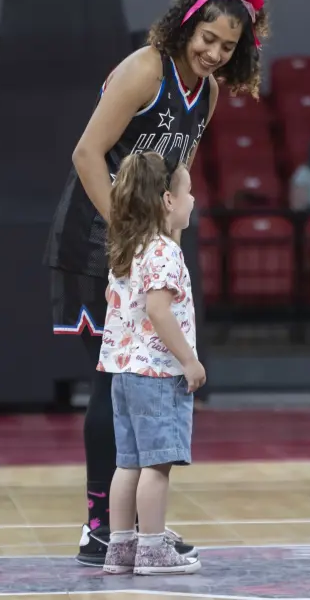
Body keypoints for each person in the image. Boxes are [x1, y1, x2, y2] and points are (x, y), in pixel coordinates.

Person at [43, 0, 268, 567]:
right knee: (114, 379)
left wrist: (168, 226)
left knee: (140, 380)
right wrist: (125, 229)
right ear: (187, 22)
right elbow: (87, 153)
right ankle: (100, 527)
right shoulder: (145, 67)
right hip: (99, 232)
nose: (215, 52)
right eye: (208, 38)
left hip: (143, 239)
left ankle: (137, 531)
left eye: (228, 46)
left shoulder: (211, 91)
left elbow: (178, 168)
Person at [99, 151, 205, 576]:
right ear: (166, 200)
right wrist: (189, 360)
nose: (193, 199)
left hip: (123, 372)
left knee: (127, 463)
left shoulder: (131, 248)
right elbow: (159, 311)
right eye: (188, 191)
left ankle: (120, 546)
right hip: (157, 373)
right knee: (157, 465)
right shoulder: (164, 253)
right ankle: (152, 548)